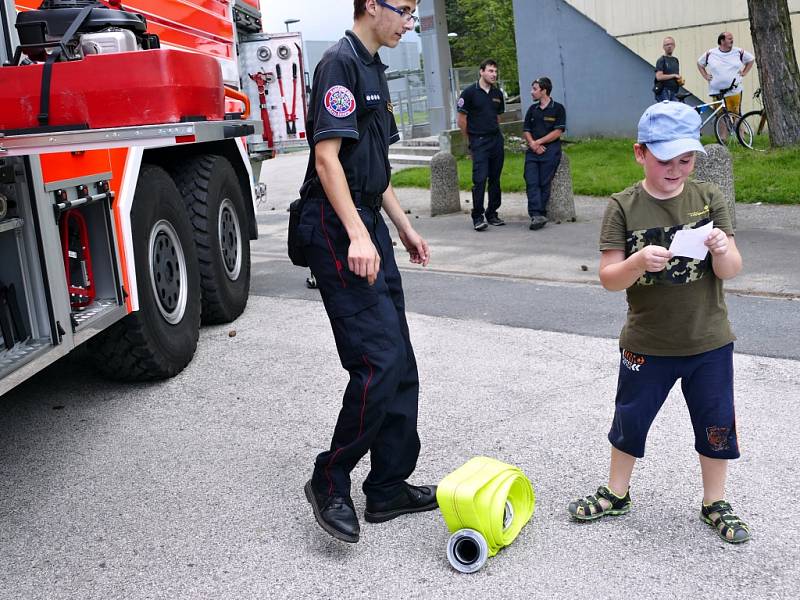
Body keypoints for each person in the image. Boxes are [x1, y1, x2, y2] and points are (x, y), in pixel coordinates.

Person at [567, 101, 751, 544]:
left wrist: (723, 249)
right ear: (639, 153)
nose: (675, 169)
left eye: (685, 160)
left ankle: (714, 500)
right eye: (664, 159)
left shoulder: (708, 198)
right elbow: (609, 279)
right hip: (647, 342)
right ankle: (617, 491)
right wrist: (635, 262)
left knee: (716, 422)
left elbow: (732, 270)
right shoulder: (622, 207)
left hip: (708, 340)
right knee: (629, 418)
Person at [298, 0, 437, 545]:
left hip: (368, 223)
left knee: (400, 359)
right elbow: (327, 160)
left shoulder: (376, 68)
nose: (410, 19)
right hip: (336, 229)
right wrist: (357, 232)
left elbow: (372, 170)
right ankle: (328, 478)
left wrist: (402, 226)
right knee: (377, 362)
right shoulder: (339, 63)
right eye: (404, 8)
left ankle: (387, 488)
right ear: (371, 5)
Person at [457, 59, 506, 231]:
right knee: (480, 179)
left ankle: (492, 213)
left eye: (495, 71)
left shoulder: (497, 94)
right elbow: (461, 120)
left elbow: (498, 117)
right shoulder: (469, 93)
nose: (494, 74)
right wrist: (471, 140)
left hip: (495, 140)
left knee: (495, 178)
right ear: (481, 72)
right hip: (479, 141)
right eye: (490, 71)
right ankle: (477, 216)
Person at [522, 77, 566, 230]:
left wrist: (539, 142)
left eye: (535, 89)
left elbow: (558, 131)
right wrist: (533, 144)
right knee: (531, 181)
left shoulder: (558, 108)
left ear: (544, 90)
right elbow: (526, 129)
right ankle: (536, 214)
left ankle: (540, 213)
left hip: (550, 151)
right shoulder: (532, 110)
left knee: (543, 183)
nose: (532, 92)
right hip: (533, 151)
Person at [697, 31, 755, 118]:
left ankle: (740, 132)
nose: (732, 40)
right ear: (722, 41)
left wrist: (744, 72)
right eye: (729, 39)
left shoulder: (739, 52)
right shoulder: (711, 53)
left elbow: (751, 59)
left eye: (732, 38)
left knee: (737, 115)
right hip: (717, 92)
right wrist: (705, 75)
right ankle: (722, 132)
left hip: (734, 91)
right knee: (720, 117)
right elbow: (700, 63)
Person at [653, 36, 683, 102]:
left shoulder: (675, 60)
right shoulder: (661, 60)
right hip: (664, 91)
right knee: (667, 111)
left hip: (674, 91)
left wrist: (679, 81)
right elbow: (659, 77)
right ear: (663, 47)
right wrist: (674, 75)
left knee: (673, 111)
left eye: (671, 44)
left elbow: (675, 76)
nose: (669, 46)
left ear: (674, 46)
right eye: (667, 44)